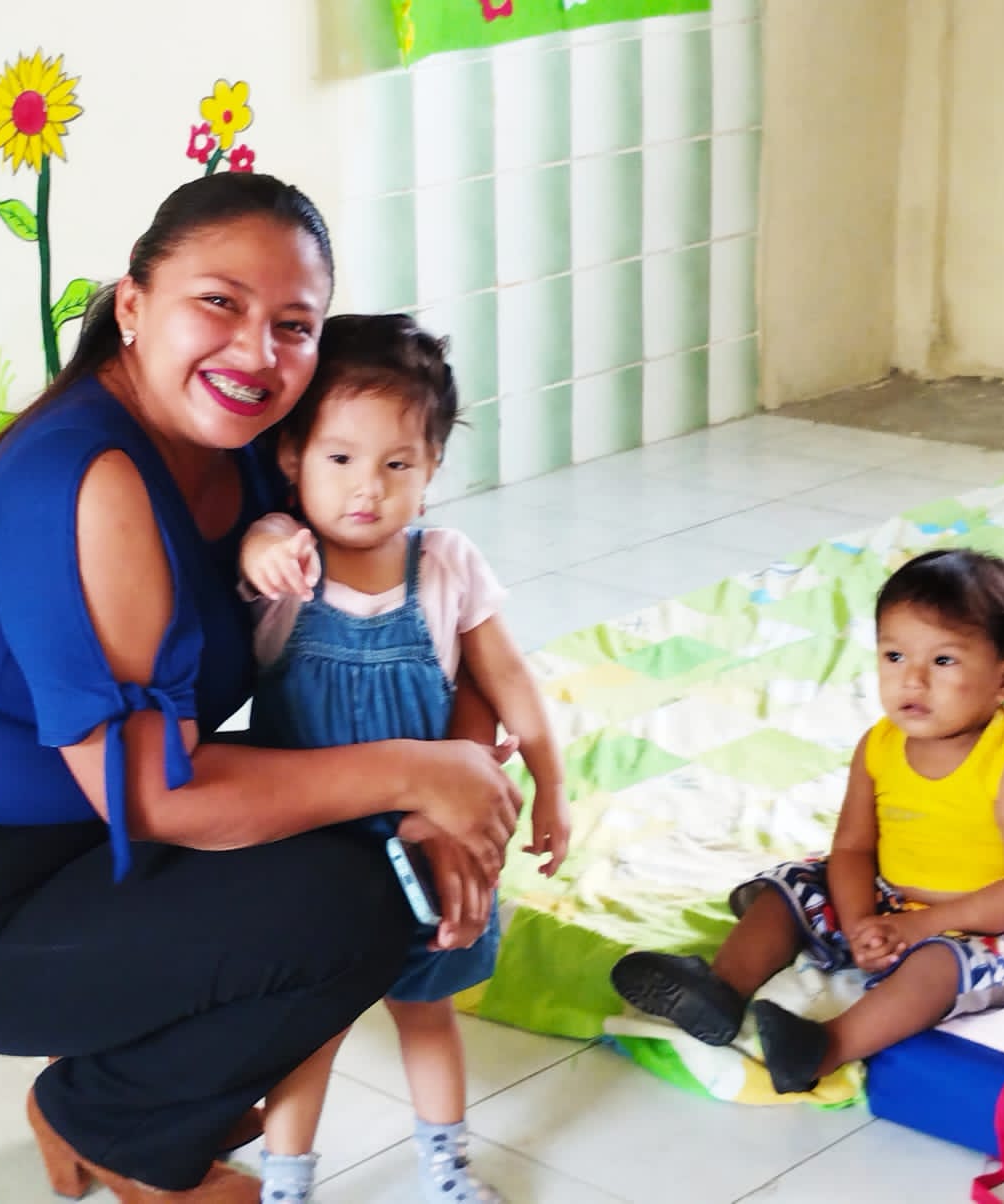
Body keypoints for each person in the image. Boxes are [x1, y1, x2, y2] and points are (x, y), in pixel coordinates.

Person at [0, 174, 524, 1202]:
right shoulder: (87, 480)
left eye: (292, 325)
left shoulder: (247, 451)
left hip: (96, 841)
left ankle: (130, 1089)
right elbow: (158, 797)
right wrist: (418, 774)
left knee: (384, 853)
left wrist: (443, 781)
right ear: (133, 305)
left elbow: (432, 614)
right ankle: (112, 1120)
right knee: (353, 907)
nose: (256, 352)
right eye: (219, 302)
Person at [236, 314, 570, 1203]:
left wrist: (551, 786)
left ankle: (446, 1165)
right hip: (316, 854)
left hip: (430, 849)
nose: (367, 488)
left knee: (427, 1013)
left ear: (431, 471)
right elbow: (251, 550)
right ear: (292, 456)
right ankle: (286, 1182)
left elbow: (509, 679)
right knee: (311, 1030)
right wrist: (262, 548)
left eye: (397, 464)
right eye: (340, 458)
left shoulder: (446, 564)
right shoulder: (285, 559)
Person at [610, 549, 1004, 1094]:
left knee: (939, 967)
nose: (913, 680)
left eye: (943, 661)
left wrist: (919, 927)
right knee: (794, 883)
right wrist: (860, 921)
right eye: (894, 656)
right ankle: (721, 989)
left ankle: (823, 1047)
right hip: (888, 903)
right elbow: (854, 847)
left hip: (992, 925)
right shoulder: (879, 745)